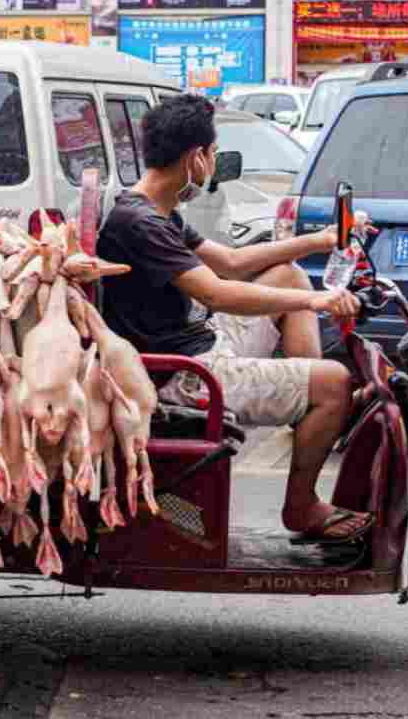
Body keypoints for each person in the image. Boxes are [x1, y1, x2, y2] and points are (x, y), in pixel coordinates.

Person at [97, 93, 373, 543]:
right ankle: (301, 504)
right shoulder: (140, 224)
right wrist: (318, 303)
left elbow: (230, 260)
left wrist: (319, 240)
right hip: (182, 377)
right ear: (195, 159)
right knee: (336, 382)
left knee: (288, 278)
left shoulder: (153, 211)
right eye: (212, 152)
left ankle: (305, 403)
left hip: (199, 346)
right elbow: (218, 292)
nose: (212, 162)